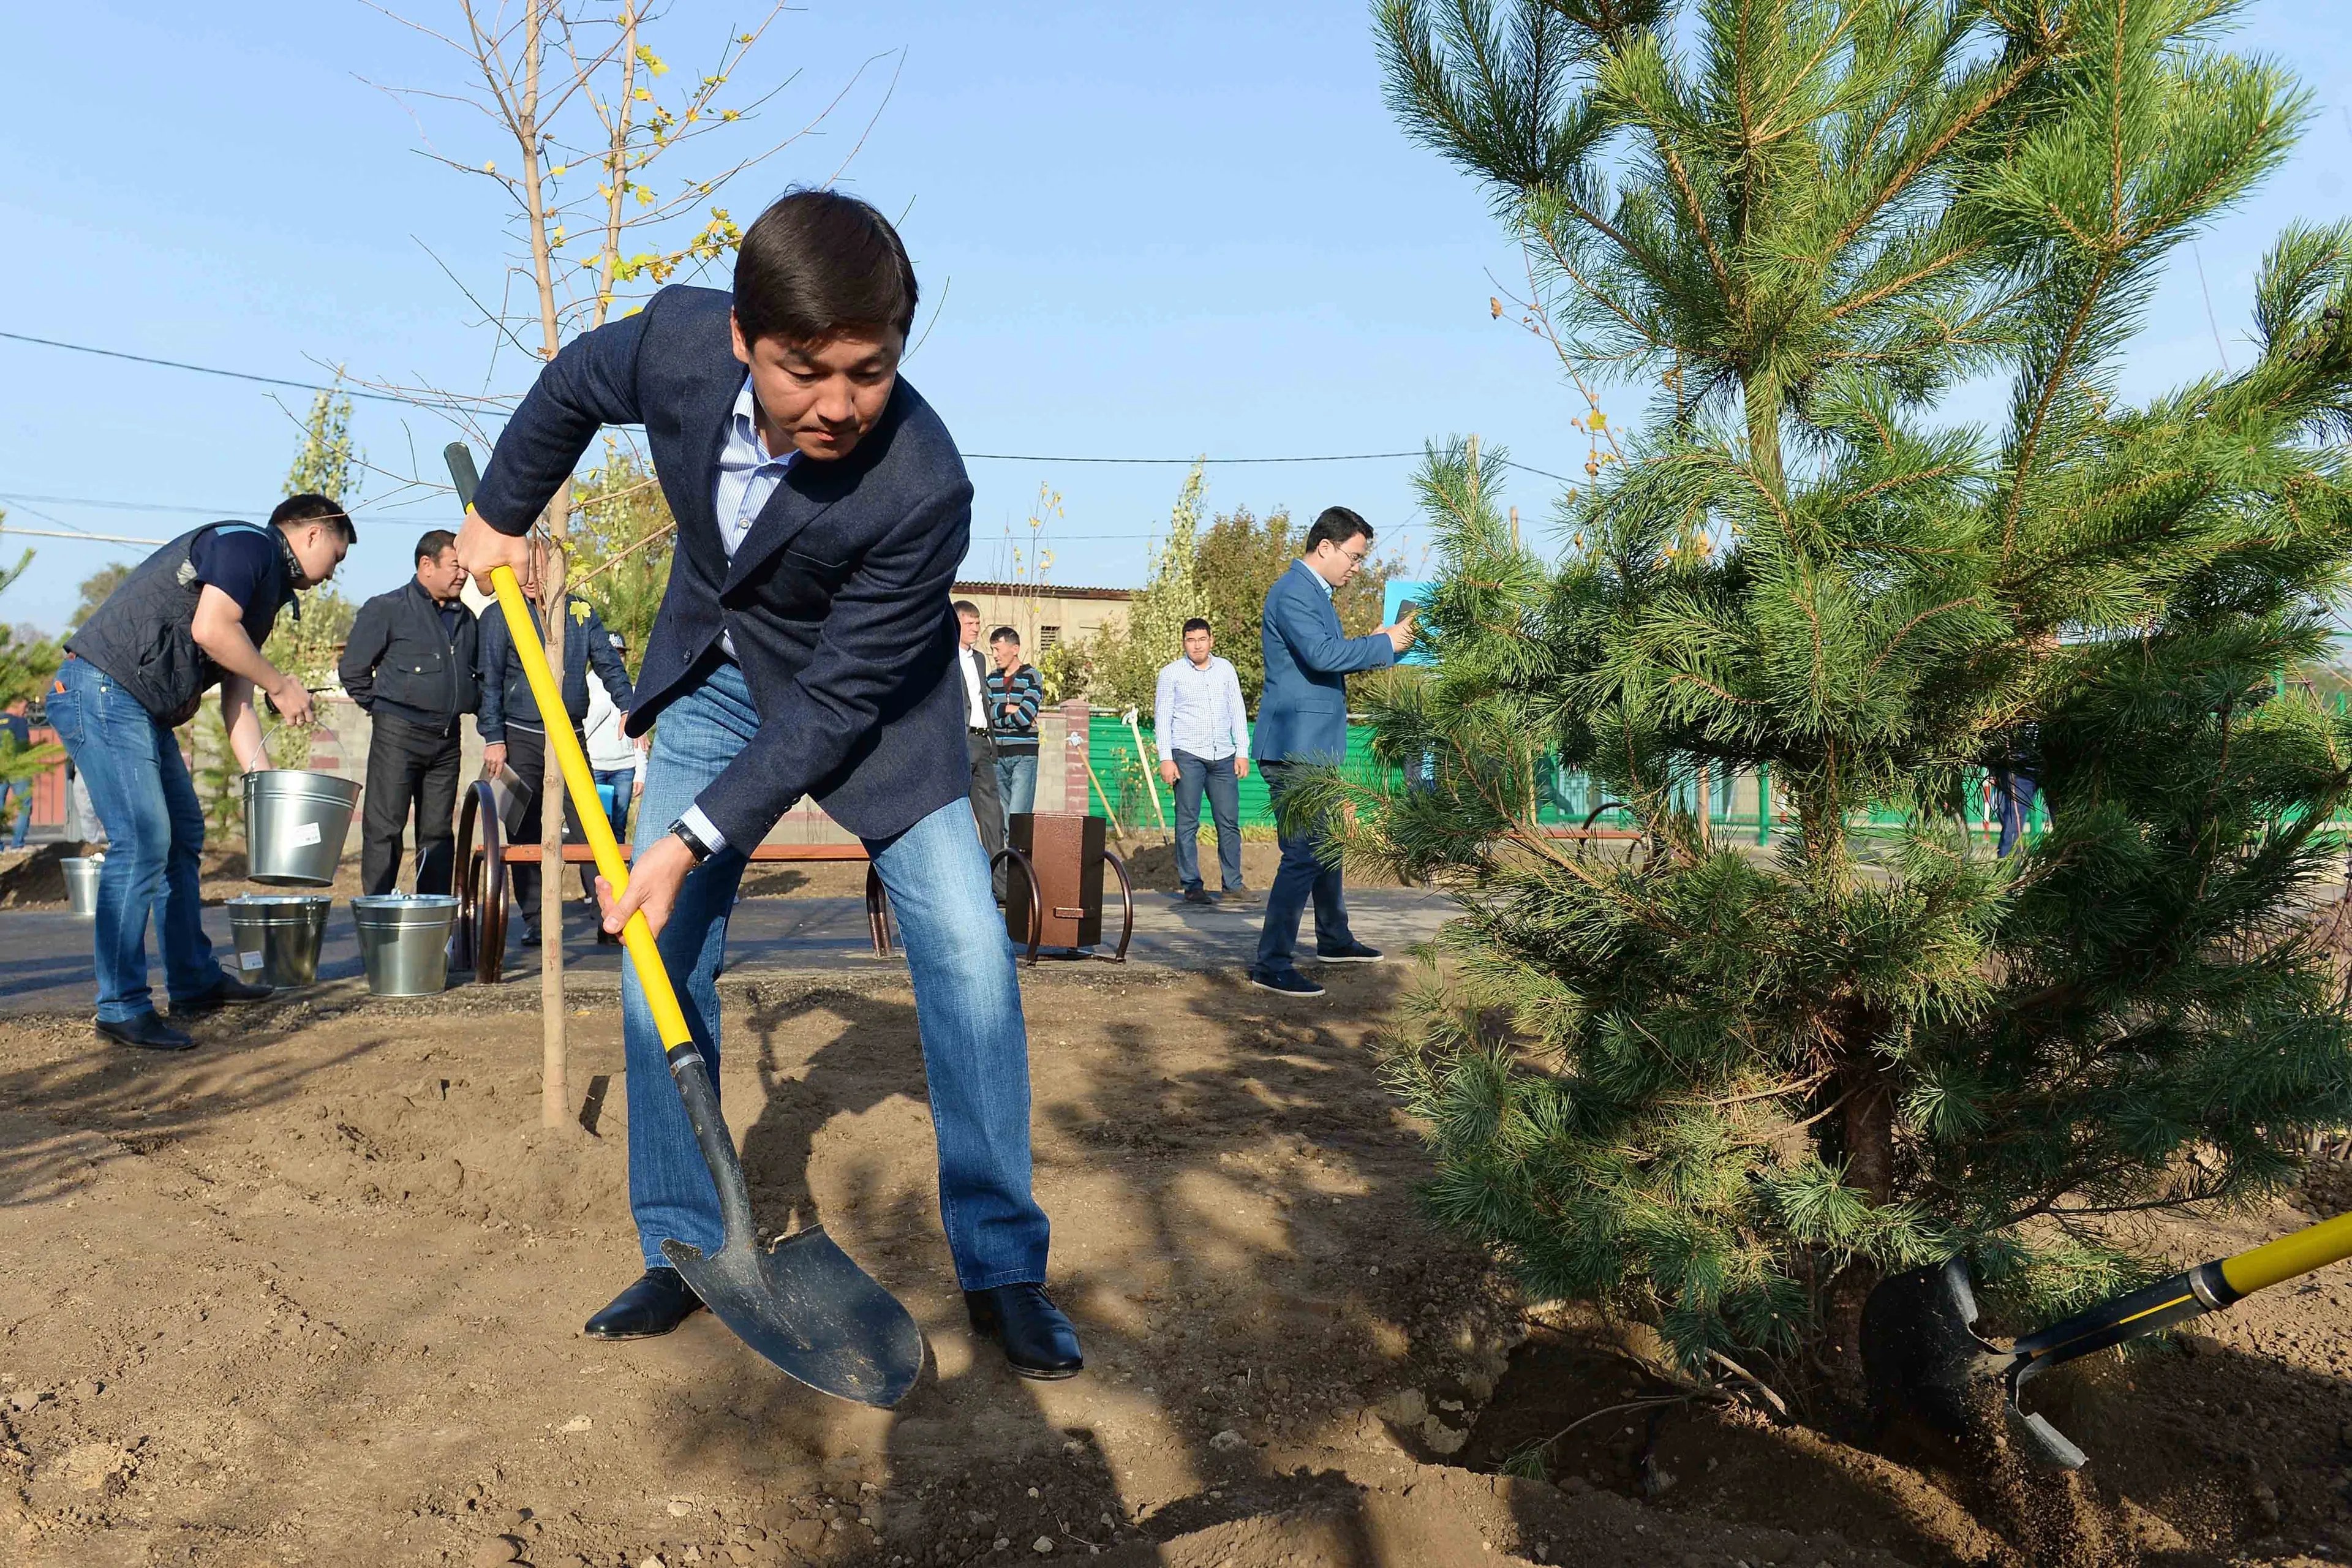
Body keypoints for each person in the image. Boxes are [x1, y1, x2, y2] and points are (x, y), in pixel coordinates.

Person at [450, 187, 1079, 1379]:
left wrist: (686, 836)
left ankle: (1003, 1268)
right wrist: (497, 512)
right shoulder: (680, 343)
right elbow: (575, 384)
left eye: (870, 371)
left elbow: (836, 704)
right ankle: (685, 1243)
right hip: (717, 671)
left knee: (968, 959)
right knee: (664, 949)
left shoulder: (924, 484)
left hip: (875, 716)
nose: (839, 403)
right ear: (745, 337)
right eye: (806, 371)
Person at [48, 495, 354, 1050]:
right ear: (313, 534)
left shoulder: (264, 593)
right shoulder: (247, 546)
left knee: (182, 836)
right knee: (142, 841)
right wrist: (281, 684)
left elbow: (237, 701)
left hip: (138, 707)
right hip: (103, 691)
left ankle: (192, 982)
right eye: (336, 556)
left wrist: (268, 789)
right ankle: (121, 1006)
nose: (334, 572)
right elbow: (211, 629)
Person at [1249, 507, 1414, 997]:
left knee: (1325, 846)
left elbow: (1326, 658)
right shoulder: (1293, 592)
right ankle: (1271, 963)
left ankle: (1334, 939)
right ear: (1325, 546)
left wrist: (1384, 644)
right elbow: (1322, 655)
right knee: (1303, 853)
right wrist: (1383, 644)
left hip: (1312, 746)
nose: (1358, 568)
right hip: (1294, 747)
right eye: (1355, 556)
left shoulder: (1314, 594)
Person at [475, 552, 635, 946]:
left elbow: (608, 663)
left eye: (540, 568)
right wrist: (494, 738)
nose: (531, 577)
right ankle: (536, 919)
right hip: (518, 735)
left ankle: (608, 916)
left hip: (570, 734)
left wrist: (629, 705)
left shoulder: (580, 612)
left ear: (557, 569)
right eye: (524, 569)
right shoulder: (499, 615)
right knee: (522, 828)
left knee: (591, 826)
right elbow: (489, 682)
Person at [340, 529, 480, 895]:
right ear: (426, 565)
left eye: (464, 567)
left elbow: (475, 677)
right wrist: (384, 710)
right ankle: (378, 912)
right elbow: (353, 670)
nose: (462, 574)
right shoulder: (388, 609)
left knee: (437, 833)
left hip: (446, 741)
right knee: (385, 828)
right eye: (455, 566)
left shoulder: (466, 619)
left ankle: (433, 914)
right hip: (398, 737)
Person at [1154, 617, 1250, 907]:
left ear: (1211, 641)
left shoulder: (1226, 669)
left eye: (1202, 639)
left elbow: (1237, 710)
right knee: (1187, 822)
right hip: (1187, 755)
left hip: (1223, 756)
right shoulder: (1171, 674)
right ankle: (1192, 885)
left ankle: (1233, 885)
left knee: (1229, 822)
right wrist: (1166, 758)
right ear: (1184, 643)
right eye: (1191, 640)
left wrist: (1242, 750)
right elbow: (1162, 718)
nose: (1197, 646)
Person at [584, 641, 645, 943]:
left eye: (620, 654)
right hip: (596, 766)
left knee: (618, 831)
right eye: (611, 654)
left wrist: (641, 771)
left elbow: (639, 734)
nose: (616, 659)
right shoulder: (587, 686)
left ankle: (619, 889)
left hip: (623, 767)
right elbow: (583, 725)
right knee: (597, 833)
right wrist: (610, 702)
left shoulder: (630, 689)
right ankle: (595, 892)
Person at [954, 600, 1007, 891]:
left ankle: (1000, 887)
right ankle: (965, 886)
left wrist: (990, 741)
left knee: (992, 817)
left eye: (977, 623)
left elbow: (982, 701)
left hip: (982, 741)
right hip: (959, 745)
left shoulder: (980, 659)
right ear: (956, 624)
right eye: (969, 623)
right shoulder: (946, 658)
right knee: (959, 817)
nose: (976, 628)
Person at [986, 627, 1042, 824]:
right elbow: (986, 714)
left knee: (1018, 819)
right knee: (1003, 822)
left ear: (1015, 649)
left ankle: (1021, 847)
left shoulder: (1031, 676)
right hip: (998, 758)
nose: (995, 655)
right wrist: (1009, 708)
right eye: (992, 650)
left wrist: (999, 717)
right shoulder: (992, 679)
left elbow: (1025, 716)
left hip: (1024, 756)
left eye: (998, 649)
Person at [1, 701, 35, 850]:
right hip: (18, 768)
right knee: (24, 805)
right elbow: (24, 745)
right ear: (15, 704)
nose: (26, 711)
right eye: (25, 707)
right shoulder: (19, 722)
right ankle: (17, 844)